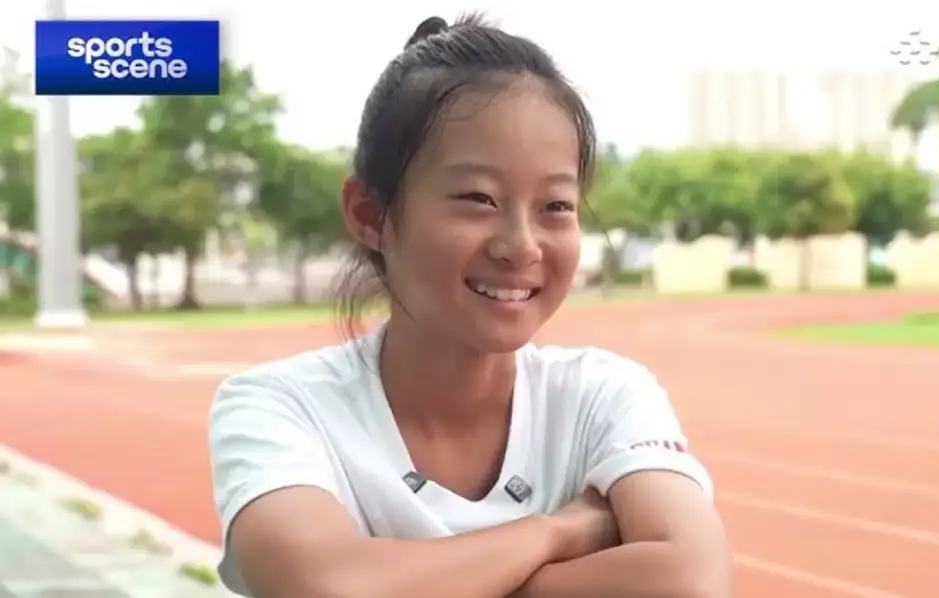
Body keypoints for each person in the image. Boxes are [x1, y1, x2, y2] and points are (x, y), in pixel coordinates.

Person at [208, 13, 730, 598]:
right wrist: (558, 530)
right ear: (370, 214)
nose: (522, 246)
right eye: (478, 198)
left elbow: (690, 581)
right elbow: (327, 588)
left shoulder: (603, 397)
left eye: (555, 206)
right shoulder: (280, 408)